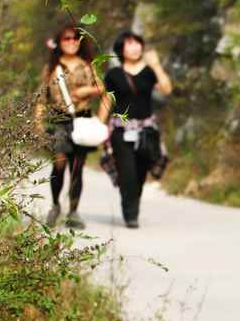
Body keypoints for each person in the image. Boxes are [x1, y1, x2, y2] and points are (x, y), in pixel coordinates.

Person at [98, 31, 172, 229]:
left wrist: (156, 65)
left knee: (140, 173)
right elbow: (107, 99)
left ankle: (132, 206)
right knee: (127, 172)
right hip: (121, 131)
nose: (135, 47)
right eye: (130, 44)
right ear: (121, 49)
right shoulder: (113, 74)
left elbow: (166, 89)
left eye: (137, 43)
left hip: (146, 131)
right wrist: (99, 125)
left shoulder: (149, 72)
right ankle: (130, 214)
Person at [35, 25, 105, 229]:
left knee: (77, 167)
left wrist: (86, 91)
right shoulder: (52, 67)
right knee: (59, 163)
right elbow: (41, 98)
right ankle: (56, 205)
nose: (72, 42)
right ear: (59, 41)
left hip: (82, 120)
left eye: (76, 38)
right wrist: (38, 124)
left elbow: (102, 89)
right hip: (59, 121)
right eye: (67, 38)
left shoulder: (88, 65)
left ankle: (73, 211)